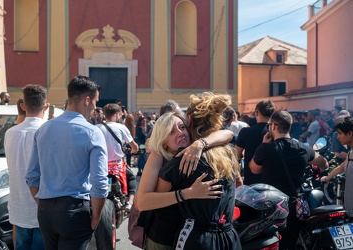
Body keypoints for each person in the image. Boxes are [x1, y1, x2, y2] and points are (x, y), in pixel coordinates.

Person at [136, 98, 235, 250]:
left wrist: (200, 143)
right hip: (163, 237)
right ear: (163, 141)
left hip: (185, 235)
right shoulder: (159, 156)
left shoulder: (193, 151)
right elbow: (142, 202)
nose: (180, 133)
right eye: (171, 132)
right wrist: (187, 193)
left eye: (182, 127)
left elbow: (228, 133)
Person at [25, 76, 109, 249]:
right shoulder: (92, 133)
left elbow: (32, 176)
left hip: (46, 210)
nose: (95, 108)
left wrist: (45, 204)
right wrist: (96, 217)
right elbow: (99, 182)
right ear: (87, 100)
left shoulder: (43, 129)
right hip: (74, 210)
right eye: (95, 102)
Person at [249, 110, 328, 249]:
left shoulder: (265, 149)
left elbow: (254, 169)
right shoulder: (303, 148)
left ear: (273, 126)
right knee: (290, 243)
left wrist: (263, 145)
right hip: (293, 205)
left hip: (271, 206)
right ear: (289, 126)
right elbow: (324, 164)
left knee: (271, 243)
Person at [4, 84, 49, 250]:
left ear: (23, 106)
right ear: (46, 106)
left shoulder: (10, 133)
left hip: (18, 207)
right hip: (41, 206)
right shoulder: (46, 131)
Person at [97, 103, 139, 211]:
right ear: (116, 115)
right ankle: (129, 203)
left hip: (100, 166)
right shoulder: (121, 127)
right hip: (117, 166)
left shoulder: (96, 128)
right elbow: (134, 146)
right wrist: (134, 150)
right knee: (132, 178)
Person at [235, 100, 276, 185]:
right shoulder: (275, 132)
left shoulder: (245, 132)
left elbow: (236, 154)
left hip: (251, 179)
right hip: (271, 181)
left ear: (256, 113)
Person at [321, 116, 353, 215]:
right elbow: (341, 167)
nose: (338, 137)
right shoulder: (350, 153)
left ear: (350, 133)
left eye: (340, 133)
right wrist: (328, 177)